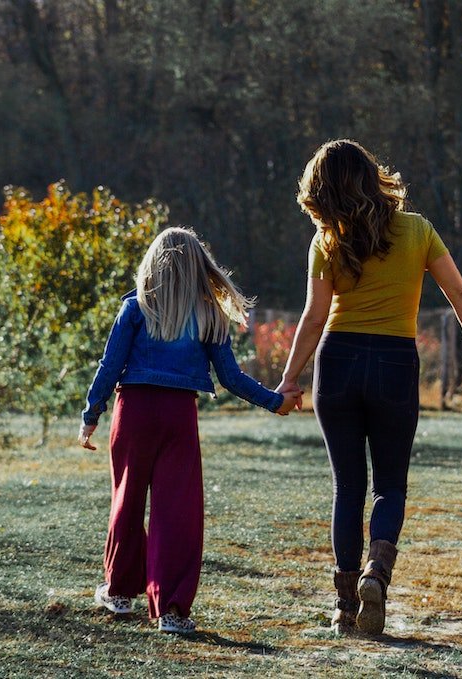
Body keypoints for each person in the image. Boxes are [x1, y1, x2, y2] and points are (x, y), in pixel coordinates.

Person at [277, 139, 462, 636]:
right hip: (394, 362)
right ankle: (377, 574)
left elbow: (313, 315)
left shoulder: (328, 239)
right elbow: (458, 293)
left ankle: (346, 607)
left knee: (347, 487)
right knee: (389, 485)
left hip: (339, 361)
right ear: (373, 177)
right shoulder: (417, 230)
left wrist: (289, 379)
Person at [78, 227, 301, 635]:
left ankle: (120, 593)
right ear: (199, 266)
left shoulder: (135, 308)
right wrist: (275, 401)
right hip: (179, 416)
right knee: (176, 512)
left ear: (152, 263)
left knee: (127, 500)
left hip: (134, 411)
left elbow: (109, 367)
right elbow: (231, 378)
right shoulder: (210, 315)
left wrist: (91, 413)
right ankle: (173, 611)